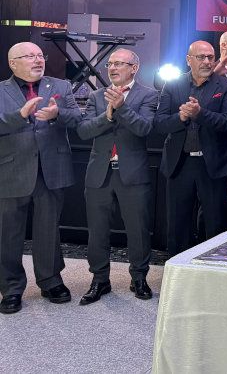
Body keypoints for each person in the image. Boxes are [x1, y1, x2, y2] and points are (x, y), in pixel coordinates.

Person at [0, 43, 81, 315]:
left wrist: (58, 115)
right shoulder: (1, 90)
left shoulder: (61, 86)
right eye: (29, 56)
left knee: (48, 229)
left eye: (39, 55)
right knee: (8, 233)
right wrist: (19, 116)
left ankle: (50, 281)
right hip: (12, 170)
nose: (37, 60)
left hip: (51, 169)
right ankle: (11, 288)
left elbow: (78, 121)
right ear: (13, 63)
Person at [75, 49, 158, 304]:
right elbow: (84, 131)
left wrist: (121, 108)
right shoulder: (95, 96)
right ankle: (100, 280)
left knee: (138, 230)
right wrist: (108, 114)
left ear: (134, 67)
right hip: (99, 173)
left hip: (133, 174)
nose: (112, 68)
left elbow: (145, 128)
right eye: (109, 64)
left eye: (119, 63)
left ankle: (139, 278)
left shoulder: (149, 95)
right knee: (97, 231)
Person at [154, 41, 227, 256]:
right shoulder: (173, 85)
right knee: (177, 225)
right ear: (188, 59)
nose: (207, 61)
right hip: (179, 164)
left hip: (212, 164)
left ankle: (211, 272)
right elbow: (160, 123)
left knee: (214, 224)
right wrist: (181, 117)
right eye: (201, 57)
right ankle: (176, 273)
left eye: (211, 57)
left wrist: (199, 113)